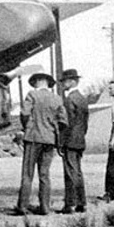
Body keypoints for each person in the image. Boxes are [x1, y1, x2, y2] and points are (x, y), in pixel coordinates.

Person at [11, 72, 68, 216]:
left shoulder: (32, 95)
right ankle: (44, 207)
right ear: (48, 83)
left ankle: (22, 207)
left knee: (27, 174)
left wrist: (27, 127)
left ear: (37, 82)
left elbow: (24, 113)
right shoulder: (56, 98)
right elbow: (63, 121)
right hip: (49, 140)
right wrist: (52, 130)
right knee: (44, 174)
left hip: (33, 138)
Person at [57, 69, 105, 213]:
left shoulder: (69, 99)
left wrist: (61, 141)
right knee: (77, 171)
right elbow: (84, 122)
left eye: (65, 81)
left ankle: (70, 204)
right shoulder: (82, 99)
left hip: (70, 140)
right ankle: (80, 203)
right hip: (79, 139)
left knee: (70, 172)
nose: (62, 84)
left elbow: (67, 123)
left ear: (72, 82)